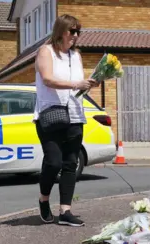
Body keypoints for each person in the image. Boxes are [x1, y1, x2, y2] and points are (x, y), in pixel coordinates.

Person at [34, 14, 98, 227]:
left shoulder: (76, 56)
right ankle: (44, 199)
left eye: (78, 32)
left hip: (75, 114)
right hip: (51, 114)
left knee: (71, 162)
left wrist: (89, 84)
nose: (76, 36)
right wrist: (75, 84)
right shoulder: (46, 51)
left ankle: (65, 211)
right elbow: (48, 79)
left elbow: (78, 82)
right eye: (72, 31)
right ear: (61, 31)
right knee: (54, 161)